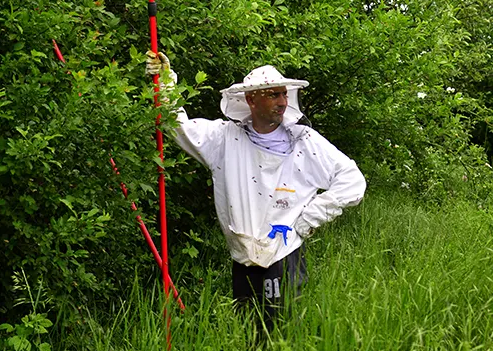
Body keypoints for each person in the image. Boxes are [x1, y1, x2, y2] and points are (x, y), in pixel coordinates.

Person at [146, 53, 366, 330]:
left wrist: (309, 219)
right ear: (251, 99)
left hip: (283, 255)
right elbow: (177, 126)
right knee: (250, 332)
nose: (282, 102)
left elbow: (352, 180)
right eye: (273, 95)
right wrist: (164, 83)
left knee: (281, 334)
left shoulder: (304, 142)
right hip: (243, 257)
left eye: (284, 94)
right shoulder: (225, 139)